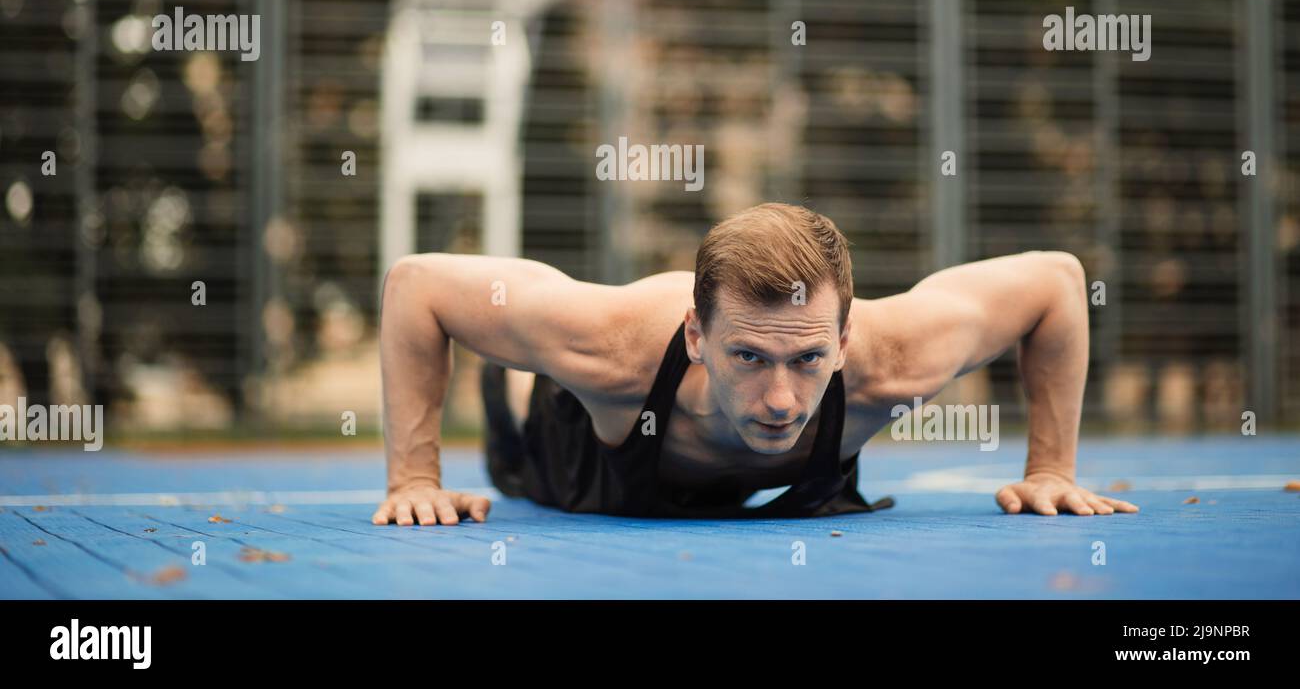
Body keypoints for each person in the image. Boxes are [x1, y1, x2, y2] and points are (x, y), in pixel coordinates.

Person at [371, 202, 1138, 524]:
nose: (779, 398)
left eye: (807, 358)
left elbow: (1057, 282)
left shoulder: (891, 361)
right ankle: (509, 379)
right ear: (696, 336)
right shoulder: (613, 346)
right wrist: (416, 478)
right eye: (748, 355)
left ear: (843, 343)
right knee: (518, 381)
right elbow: (416, 288)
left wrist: (1051, 469)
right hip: (573, 446)